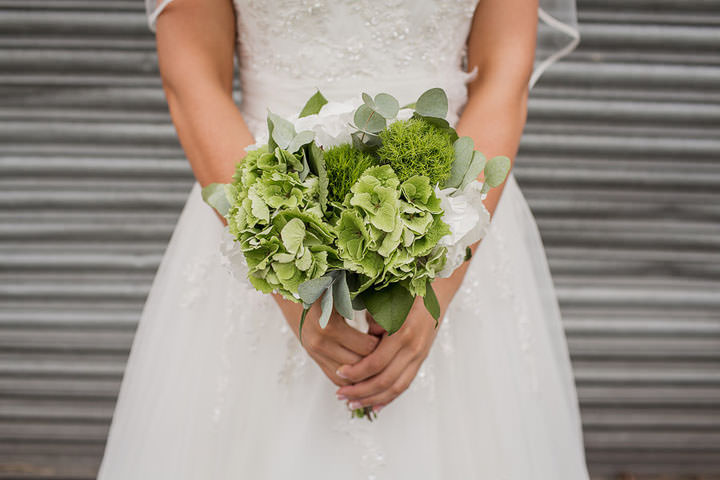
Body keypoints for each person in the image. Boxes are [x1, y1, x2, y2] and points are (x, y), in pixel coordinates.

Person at [98, 0, 589, 477]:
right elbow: (192, 79)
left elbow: (503, 78)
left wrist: (441, 276)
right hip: (265, 209)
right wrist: (290, 284)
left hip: (450, 215)